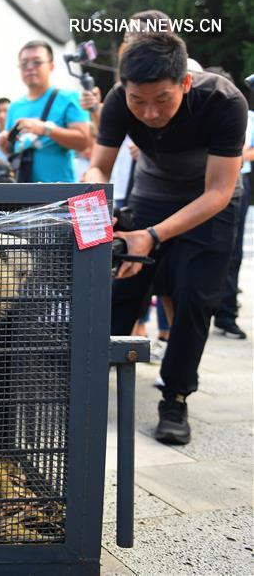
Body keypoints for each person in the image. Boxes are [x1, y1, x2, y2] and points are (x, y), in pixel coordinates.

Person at [84, 32, 247, 445]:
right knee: (122, 284)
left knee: (195, 298)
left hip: (210, 201)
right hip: (152, 193)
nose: (150, 112)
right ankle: (90, 377)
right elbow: (99, 166)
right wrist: (95, 199)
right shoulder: (121, 100)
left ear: (186, 83)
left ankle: (175, 397)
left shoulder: (224, 102)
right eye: (139, 101)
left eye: (162, 100)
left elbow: (219, 191)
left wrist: (151, 236)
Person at [0, 40, 91, 182]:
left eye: (37, 62)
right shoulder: (14, 107)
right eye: (24, 64)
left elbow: (84, 142)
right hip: (22, 194)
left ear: (51, 66)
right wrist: (5, 146)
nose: (29, 67)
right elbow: (13, 150)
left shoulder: (69, 98)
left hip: (60, 193)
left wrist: (45, 129)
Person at [213, 80, 254, 339]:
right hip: (206, 178)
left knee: (234, 251)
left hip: (239, 183)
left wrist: (231, 157)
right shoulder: (225, 109)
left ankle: (226, 314)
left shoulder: (249, 117)